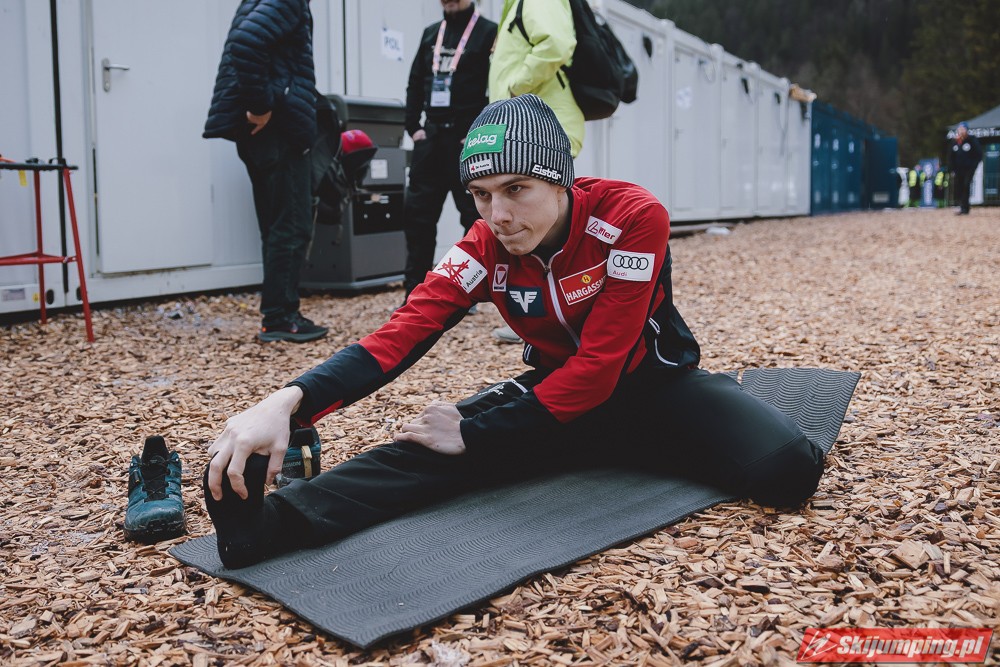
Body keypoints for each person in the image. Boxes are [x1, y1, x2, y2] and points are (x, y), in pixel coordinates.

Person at [203, 95, 825, 570]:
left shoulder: (632, 216)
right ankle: (272, 524)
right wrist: (289, 401)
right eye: (480, 195)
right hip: (553, 394)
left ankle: (607, 443)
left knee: (788, 469)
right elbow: (400, 335)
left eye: (516, 189)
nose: (498, 215)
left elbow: (602, 364)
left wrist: (481, 432)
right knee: (427, 450)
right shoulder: (484, 245)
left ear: (560, 180)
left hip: (652, 387)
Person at [204, 0, 328, 343]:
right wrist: (261, 105)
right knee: (292, 225)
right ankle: (280, 317)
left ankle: (278, 313)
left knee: (276, 226)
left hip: (264, 135)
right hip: (278, 133)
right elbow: (246, 42)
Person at [488, 0, 584, 343]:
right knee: (536, 224)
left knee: (549, 225)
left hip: (541, 132)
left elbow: (556, 43)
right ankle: (543, 314)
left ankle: (553, 316)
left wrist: (515, 88)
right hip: (527, 134)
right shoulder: (513, 5)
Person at [401, 0, 498, 303]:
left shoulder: (488, 32)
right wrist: (413, 128)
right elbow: (415, 81)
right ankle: (415, 291)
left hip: (466, 141)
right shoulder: (432, 33)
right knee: (418, 217)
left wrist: (479, 131)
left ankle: (471, 291)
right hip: (430, 139)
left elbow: (495, 86)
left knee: (473, 216)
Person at [949, 121, 983, 215]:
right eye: (959, 129)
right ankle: (962, 206)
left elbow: (979, 154)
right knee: (959, 187)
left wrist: (973, 166)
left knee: (966, 185)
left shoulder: (972, 140)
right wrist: (952, 168)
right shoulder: (955, 142)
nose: (961, 131)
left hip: (968, 169)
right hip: (958, 170)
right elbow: (951, 157)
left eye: (963, 129)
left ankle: (965, 207)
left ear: (966, 130)